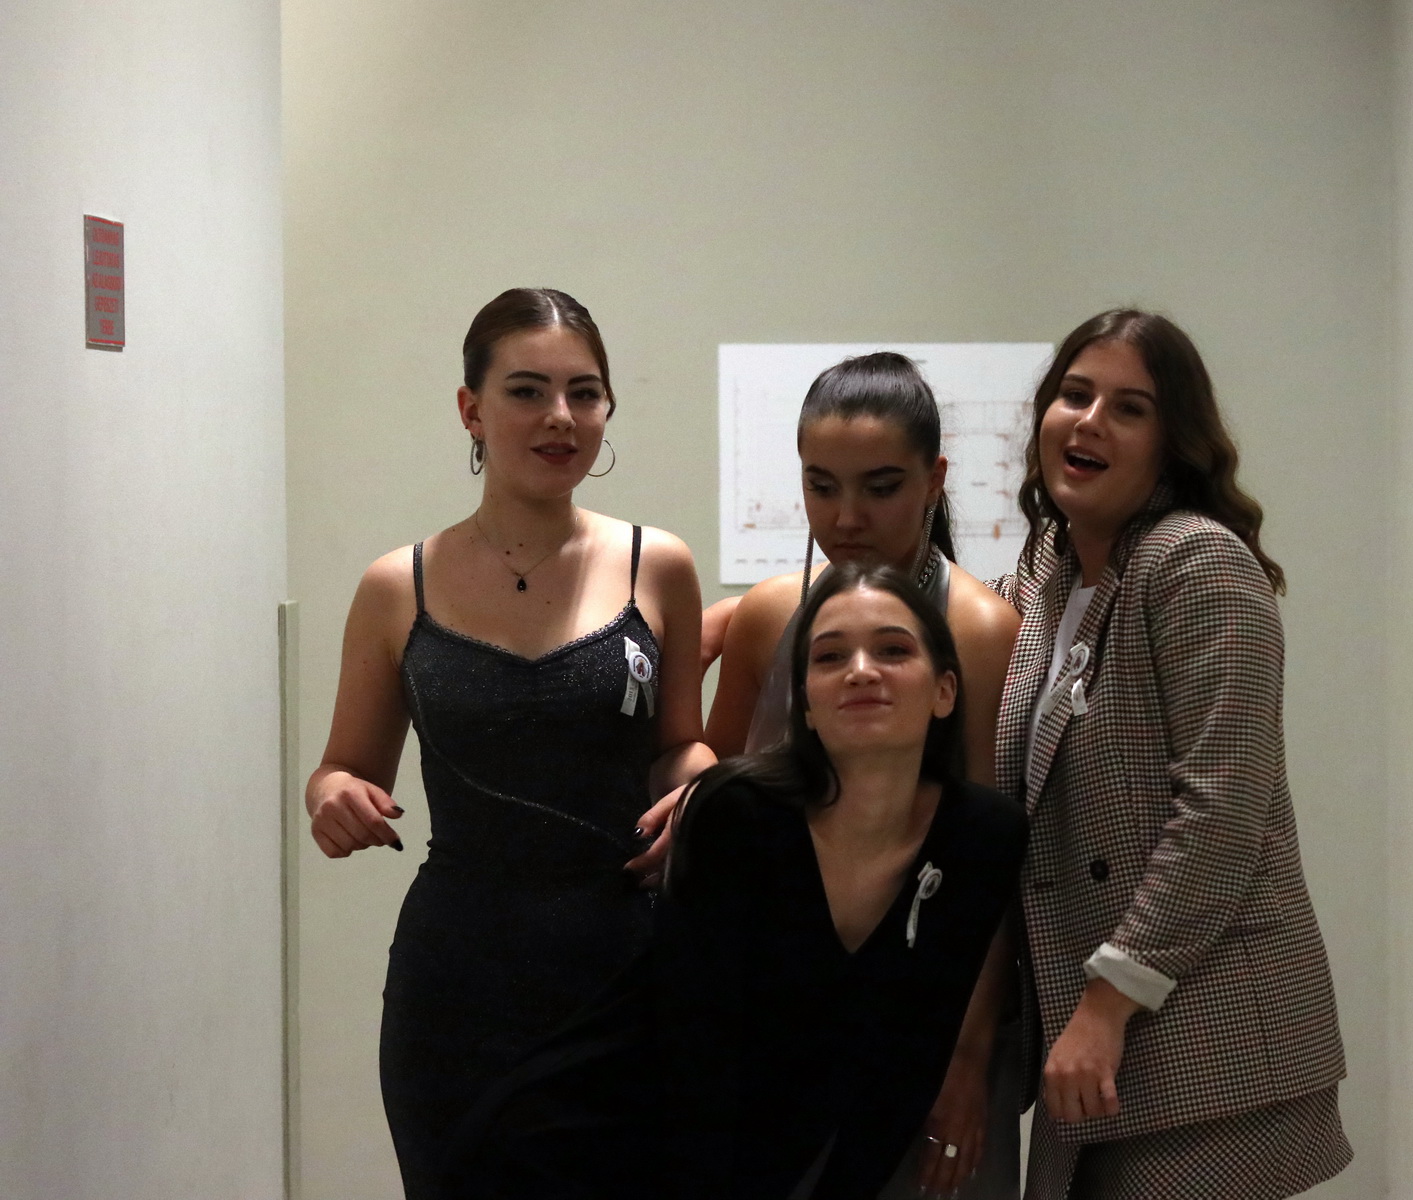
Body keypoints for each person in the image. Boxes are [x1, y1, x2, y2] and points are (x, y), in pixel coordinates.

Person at [303, 287, 713, 1198]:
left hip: (623, 970)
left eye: (584, 393)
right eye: (527, 391)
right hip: (457, 982)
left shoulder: (659, 565)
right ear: (471, 410)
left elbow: (679, 743)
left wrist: (703, 787)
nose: (560, 416)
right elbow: (342, 767)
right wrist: (330, 796)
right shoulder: (396, 585)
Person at [451, 563, 1030, 1200]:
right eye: (830, 656)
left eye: (893, 650)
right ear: (805, 704)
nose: (862, 671)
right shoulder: (739, 812)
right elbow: (699, 1059)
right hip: (581, 1147)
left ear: (946, 690)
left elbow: (907, 1064)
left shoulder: (983, 837)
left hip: (766, 1156)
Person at [992, 310, 1351, 1199]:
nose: (1090, 422)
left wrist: (1108, 1001)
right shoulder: (1049, 570)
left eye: (1130, 408)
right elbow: (933, 622)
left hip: (1203, 1036)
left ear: (1172, 442)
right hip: (1103, 1033)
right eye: (1075, 395)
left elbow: (1223, 812)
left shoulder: (1196, 563)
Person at [672, 352, 1022, 1198]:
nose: (847, 516)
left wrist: (969, 1059)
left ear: (935, 480)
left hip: (927, 1008)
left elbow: (988, 873)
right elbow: (713, 771)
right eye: (821, 485)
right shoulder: (769, 614)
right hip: (774, 1021)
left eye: (881, 486)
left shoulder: (979, 630)